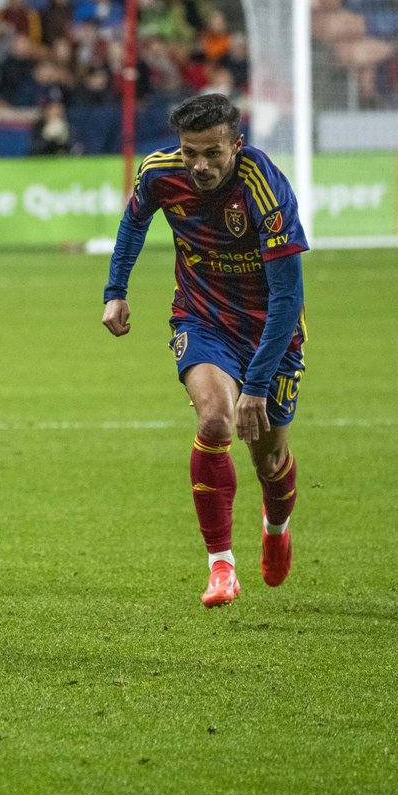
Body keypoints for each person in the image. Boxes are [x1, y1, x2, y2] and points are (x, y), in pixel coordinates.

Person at [100, 93, 308, 608]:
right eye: (191, 152)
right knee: (215, 421)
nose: (200, 165)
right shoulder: (158, 172)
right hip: (202, 318)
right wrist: (115, 291)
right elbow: (133, 222)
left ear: (236, 144)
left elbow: (288, 296)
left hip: (271, 333)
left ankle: (276, 526)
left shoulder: (265, 187)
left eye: (213, 153)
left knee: (270, 457)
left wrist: (257, 386)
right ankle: (221, 567)